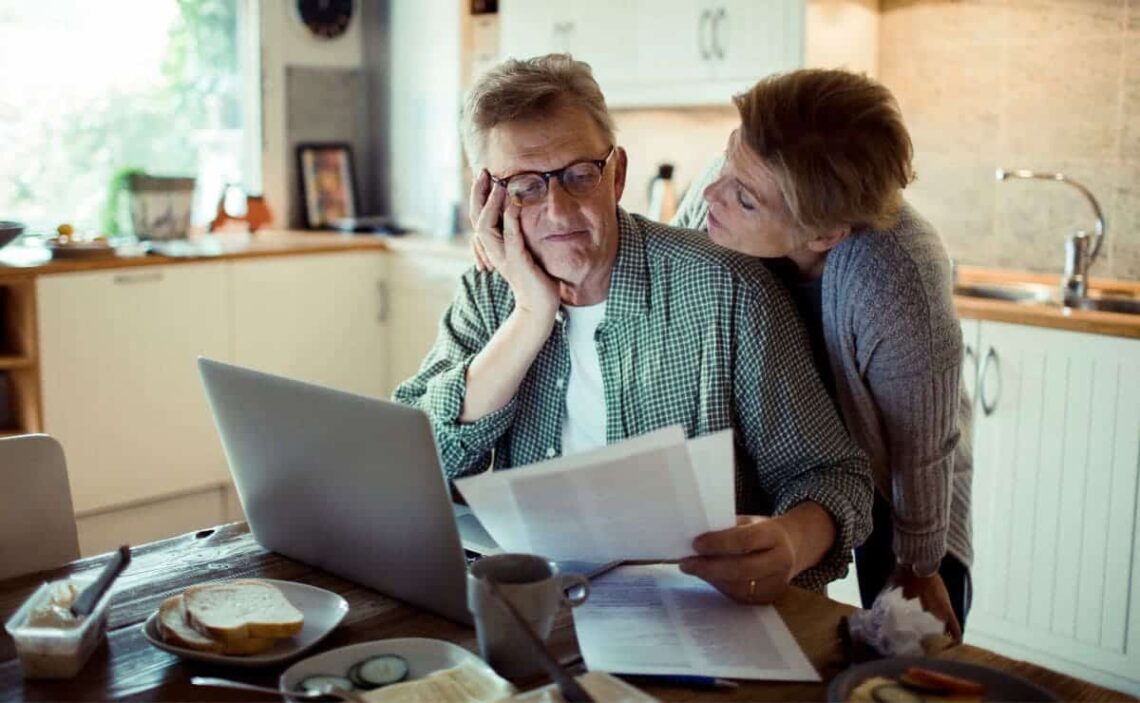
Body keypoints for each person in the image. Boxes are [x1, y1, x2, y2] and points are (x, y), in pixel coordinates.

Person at [394, 54, 872, 604]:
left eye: (580, 176)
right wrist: (529, 315)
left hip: (695, 607)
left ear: (617, 174)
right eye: (524, 186)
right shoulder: (490, 293)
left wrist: (790, 541)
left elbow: (835, 476)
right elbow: (415, 468)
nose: (558, 212)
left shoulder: (727, 289)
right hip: (539, 604)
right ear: (487, 198)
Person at [671, 68, 973, 639]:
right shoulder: (730, 187)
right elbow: (669, 280)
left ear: (825, 235)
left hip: (896, 466)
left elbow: (922, 444)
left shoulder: (897, 276)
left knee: (909, 630)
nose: (712, 192)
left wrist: (919, 564)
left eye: (745, 199)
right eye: (727, 160)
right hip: (790, 450)